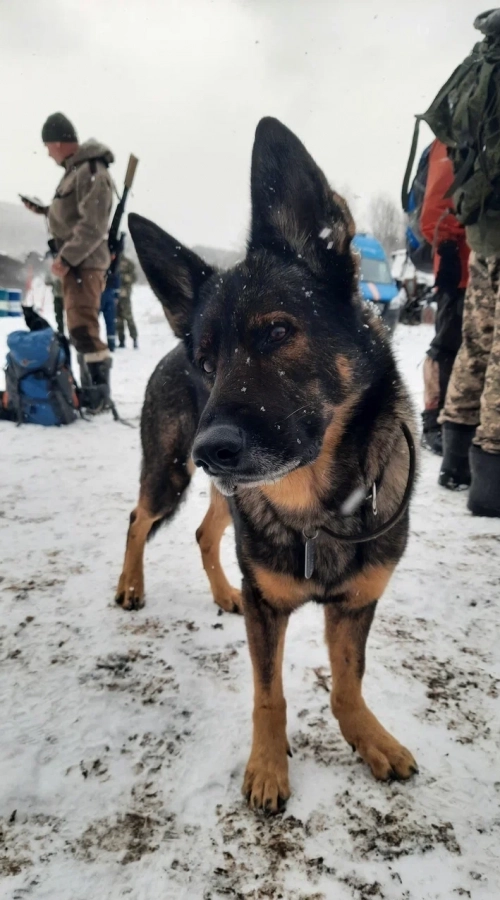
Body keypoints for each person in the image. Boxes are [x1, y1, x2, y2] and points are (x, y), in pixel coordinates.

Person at [428, 10, 500, 517]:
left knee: (476, 345)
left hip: (483, 230)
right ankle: (491, 487)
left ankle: (456, 465)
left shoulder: (481, 64)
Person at [23, 112, 114, 412]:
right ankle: (92, 392)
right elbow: (72, 214)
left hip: (84, 264)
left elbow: (94, 225)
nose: (48, 153)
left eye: (48, 146)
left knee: (84, 329)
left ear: (59, 143)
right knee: (79, 328)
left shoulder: (91, 170)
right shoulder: (76, 171)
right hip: (78, 264)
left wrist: (66, 257)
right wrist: (45, 210)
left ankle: (98, 396)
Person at [419, 140, 470, 455]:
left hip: (481, 267)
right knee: (447, 347)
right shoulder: (456, 133)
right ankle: (433, 420)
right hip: (459, 268)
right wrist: (448, 245)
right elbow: (438, 203)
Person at [116, 254, 138, 349]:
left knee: (128, 317)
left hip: (125, 295)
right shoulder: (112, 261)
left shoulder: (128, 263)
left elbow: (133, 277)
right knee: (118, 319)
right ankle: (121, 341)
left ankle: (134, 339)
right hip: (115, 294)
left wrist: (124, 278)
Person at [100, 266, 120, 352]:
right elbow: (117, 277)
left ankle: (111, 343)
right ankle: (111, 343)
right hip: (106, 292)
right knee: (110, 321)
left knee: (110, 321)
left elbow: (116, 277)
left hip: (103, 292)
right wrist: (116, 295)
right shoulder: (111, 264)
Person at [44, 271, 65, 336]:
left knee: (70, 315)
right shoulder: (54, 272)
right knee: (58, 315)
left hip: (67, 297)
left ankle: (68, 332)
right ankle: (60, 331)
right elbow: (48, 282)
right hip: (58, 297)